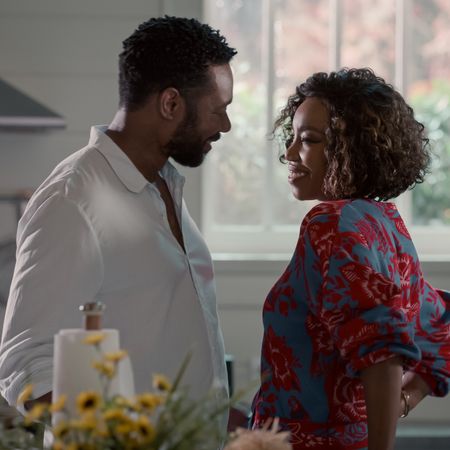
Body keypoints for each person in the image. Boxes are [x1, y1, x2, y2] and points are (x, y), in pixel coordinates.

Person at [0, 15, 236, 418]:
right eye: (218, 110)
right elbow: (25, 365)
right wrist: (116, 438)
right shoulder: (72, 200)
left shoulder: (164, 186)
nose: (226, 125)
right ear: (170, 103)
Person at [251, 68, 450, 450]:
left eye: (308, 140)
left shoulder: (331, 224)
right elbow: (439, 329)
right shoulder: (385, 223)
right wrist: (404, 400)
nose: (289, 153)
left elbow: (381, 356)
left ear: (352, 149)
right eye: (291, 137)